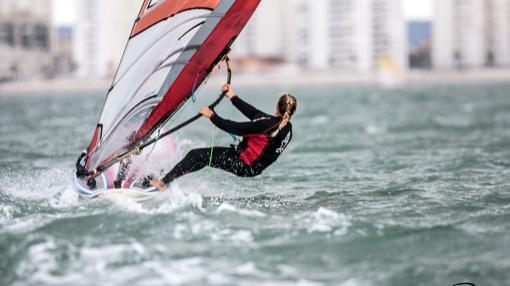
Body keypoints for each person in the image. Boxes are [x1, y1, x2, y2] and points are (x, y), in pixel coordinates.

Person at [149, 84, 297, 191]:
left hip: (244, 164)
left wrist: (212, 116)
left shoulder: (268, 125)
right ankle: (169, 178)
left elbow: (236, 128)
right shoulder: (287, 128)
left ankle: (162, 183)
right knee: (202, 158)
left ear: (278, 106)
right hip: (251, 166)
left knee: (195, 155)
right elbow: (255, 113)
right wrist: (232, 96)